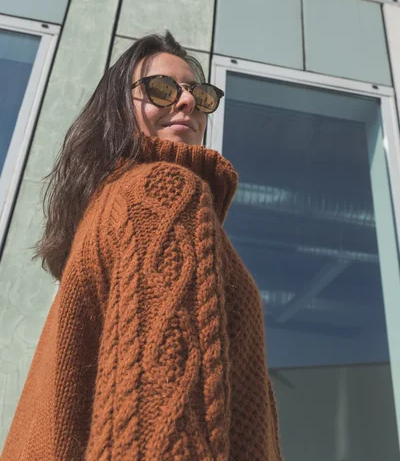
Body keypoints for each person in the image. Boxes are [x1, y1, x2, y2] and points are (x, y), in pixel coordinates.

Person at [2, 32, 282, 461]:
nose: (187, 102)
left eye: (199, 94)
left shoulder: (108, 210)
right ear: (118, 108)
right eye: (162, 89)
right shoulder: (163, 193)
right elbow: (160, 427)